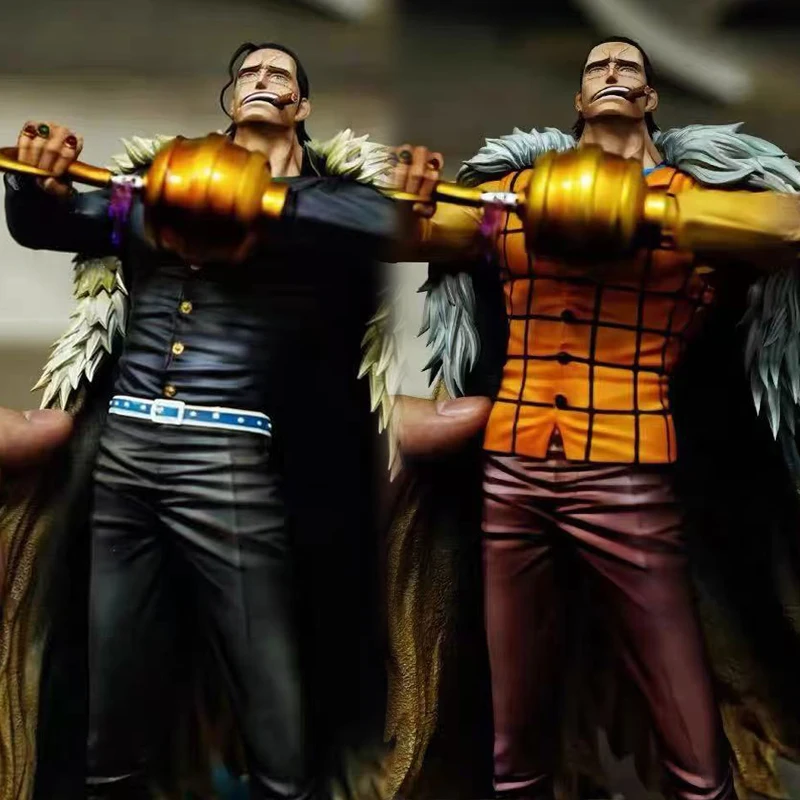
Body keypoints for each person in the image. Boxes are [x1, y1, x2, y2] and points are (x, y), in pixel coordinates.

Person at [384, 36, 800, 800]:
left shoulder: (705, 200)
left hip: (626, 475)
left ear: (650, 97)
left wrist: (656, 211)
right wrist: (407, 202)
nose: (611, 73)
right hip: (513, 475)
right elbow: (432, 235)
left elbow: (787, 226)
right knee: (513, 731)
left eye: (628, 67)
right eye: (597, 68)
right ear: (578, 100)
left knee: (688, 727)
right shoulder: (513, 199)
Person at [0, 41, 398, 800]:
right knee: (109, 691)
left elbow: (381, 222)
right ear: (230, 98)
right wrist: (31, 182)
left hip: (228, 454)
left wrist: (252, 198)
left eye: (278, 74)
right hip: (125, 451)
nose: (261, 80)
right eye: (248, 73)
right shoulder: (155, 185)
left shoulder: (333, 199)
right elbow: (51, 224)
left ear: (302, 106)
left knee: (270, 687)